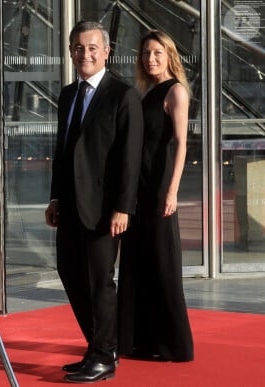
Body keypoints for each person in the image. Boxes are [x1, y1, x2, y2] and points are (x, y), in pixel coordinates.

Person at [45, 21, 143, 383]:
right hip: (69, 204)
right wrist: (55, 196)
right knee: (70, 273)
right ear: (71, 52)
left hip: (105, 209)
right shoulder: (68, 94)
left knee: (100, 281)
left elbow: (129, 159)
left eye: (91, 48)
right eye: (77, 48)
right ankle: (99, 346)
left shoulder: (123, 95)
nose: (84, 54)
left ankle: (103, 356)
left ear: (106, 51)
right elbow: (63, 149)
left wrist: (123, 207)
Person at [117, 29, 194, 362]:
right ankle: (137, 341)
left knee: (162, 263)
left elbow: (181, 144)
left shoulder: (175, 92)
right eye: (146, 53)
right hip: (138, 187)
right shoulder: (143, 92)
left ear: (169, 57)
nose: (151, 59)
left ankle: (173, 344)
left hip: (160, 187)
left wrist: (173, 190)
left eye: (157, 53)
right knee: (137, 262)